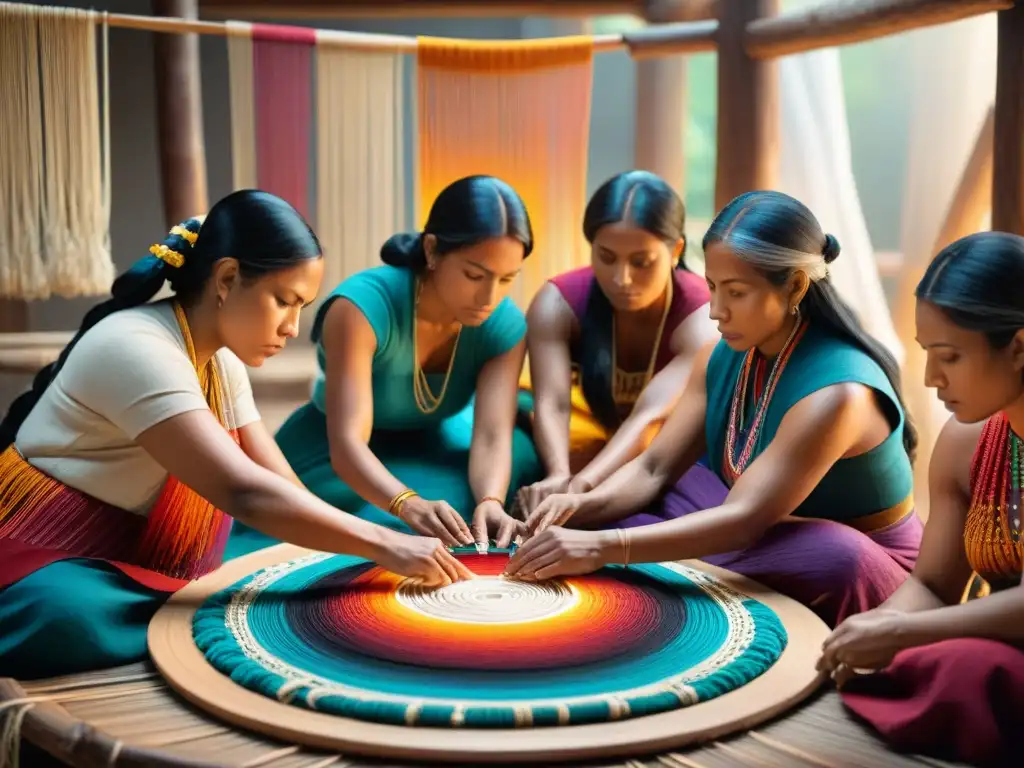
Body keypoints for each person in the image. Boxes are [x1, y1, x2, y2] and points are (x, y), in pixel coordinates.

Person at [0, 190, 471, 680]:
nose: (292, 328)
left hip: (136, 559)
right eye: (283, 301)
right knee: (70, 618)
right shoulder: (135, 347)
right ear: (226, 279)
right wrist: (384, 544)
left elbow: (280, 485)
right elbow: (243, 491)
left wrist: (354, 552)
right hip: (47, 557)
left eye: (302, 306)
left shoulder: (222, 359)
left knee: (269, 577)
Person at [508, 190, 923, 627]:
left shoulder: (838, 395)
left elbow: (743, 521)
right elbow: (654, 468)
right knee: (642, 504)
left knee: (838, 556)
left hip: (838, 548)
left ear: (797, 285)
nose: (716, 311)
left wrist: (602, 546)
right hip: (746, 516)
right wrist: (575, 504)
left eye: (736, 292)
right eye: (711, 288)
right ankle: (675, 565)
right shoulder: (722, 350)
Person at [821, 232, 1024, 766]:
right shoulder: (966, 441)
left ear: (1019, 347)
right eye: (927, 355)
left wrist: (905, 630)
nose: (932, 379)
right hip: (998, 645)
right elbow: (933, 584)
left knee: (964, 671)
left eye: (950, 356)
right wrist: (875, 631)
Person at [267, 175, 541, 556]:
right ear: (431, 250)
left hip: (439, 441)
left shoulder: (504, 325)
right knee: (389, 529)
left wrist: (491, 500)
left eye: (507, 279)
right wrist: (406, 503)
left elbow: (493, 435)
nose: (488, 296)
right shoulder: (362, 308)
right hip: (340, 456)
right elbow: (347, 444)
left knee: (487, 493)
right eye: (474, 275)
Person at [515, 171, 726, 527]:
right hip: (596, 437)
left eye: (641, 262)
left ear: (675, 251)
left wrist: (581, 486)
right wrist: (557, 475)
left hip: (677, 448)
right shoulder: (557, 302)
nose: (621, 278)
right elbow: (551, 401)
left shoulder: (703, 315)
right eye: (606, 256)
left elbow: (651, 417)